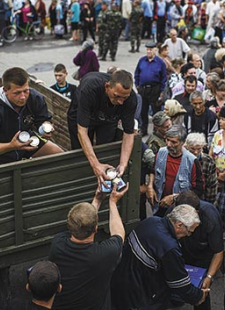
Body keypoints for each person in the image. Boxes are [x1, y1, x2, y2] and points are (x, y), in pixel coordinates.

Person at [111, 204, 209, 309]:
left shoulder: (151, 221)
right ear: (179, 224)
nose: (188, 235)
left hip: (120, 282)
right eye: (189, 231)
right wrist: (198, 296)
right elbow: (179, 283)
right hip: (139, 296)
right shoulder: (169, 247)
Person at [49, 182, 128, 310]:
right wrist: (112, 202)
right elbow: (119, 233)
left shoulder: (58, 244)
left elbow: (82, 223)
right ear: (96, 229)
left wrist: (97, 199)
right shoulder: (104, 254)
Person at [0, 67, 63, 166]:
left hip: (27, 141)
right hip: (1, 155)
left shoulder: (35, 98)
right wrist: (11, 146)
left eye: (25, 91)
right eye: (17, 93)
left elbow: (44, 120)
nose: (23, 97)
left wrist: (45, 127)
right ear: (5, 90)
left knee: (59, 155)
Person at [67, 70, 137, 186]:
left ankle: (103, 182)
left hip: (108, 118)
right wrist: (95, 165)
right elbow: (82, 131)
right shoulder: (90, 88)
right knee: (81, 153)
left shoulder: (130, 98)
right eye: (117, 96)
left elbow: (129, 133)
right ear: (107, 86)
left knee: (105, 150)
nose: (120, 102)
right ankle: (82, 183)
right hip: (82, 114)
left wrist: (123, 163)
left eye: (124, 98)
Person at [168, 191, 224, 310]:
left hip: (203, 259)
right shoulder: (172, 215)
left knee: (201, 295)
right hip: (180, 254)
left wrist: (209, 276)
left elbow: (218, 252)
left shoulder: (211, 217)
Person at [147, 125, 204, 216]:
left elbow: (198, 190)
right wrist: (150, 186)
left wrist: (174, 198)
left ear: (182, 142)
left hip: (179, 210)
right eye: (167, 140)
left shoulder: (192, 161)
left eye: (173, 142)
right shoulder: (161, 153)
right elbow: (152, 170)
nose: (169, 144)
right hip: (159, 205)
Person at [135, 41, 167, 136]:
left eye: (151, 49)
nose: (149, 51)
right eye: (147, 49)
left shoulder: (160, 62)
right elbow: (137, 74)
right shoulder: (142, 60)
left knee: (155, 110)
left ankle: (156, 130)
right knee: (143, 110)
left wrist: (161, 91)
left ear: (155, 50)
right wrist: (137, 85)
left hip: (155, 89)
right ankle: (143, 129)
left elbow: (164, 77)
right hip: (143, 89)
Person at [185, 133, 218, 204]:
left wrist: (209, 203)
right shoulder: (183, 159)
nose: (195, 152)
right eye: (192, 149)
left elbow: (212, 185)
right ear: (187, 147)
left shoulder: (208, 161)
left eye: (199, 149)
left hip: (202, 200)